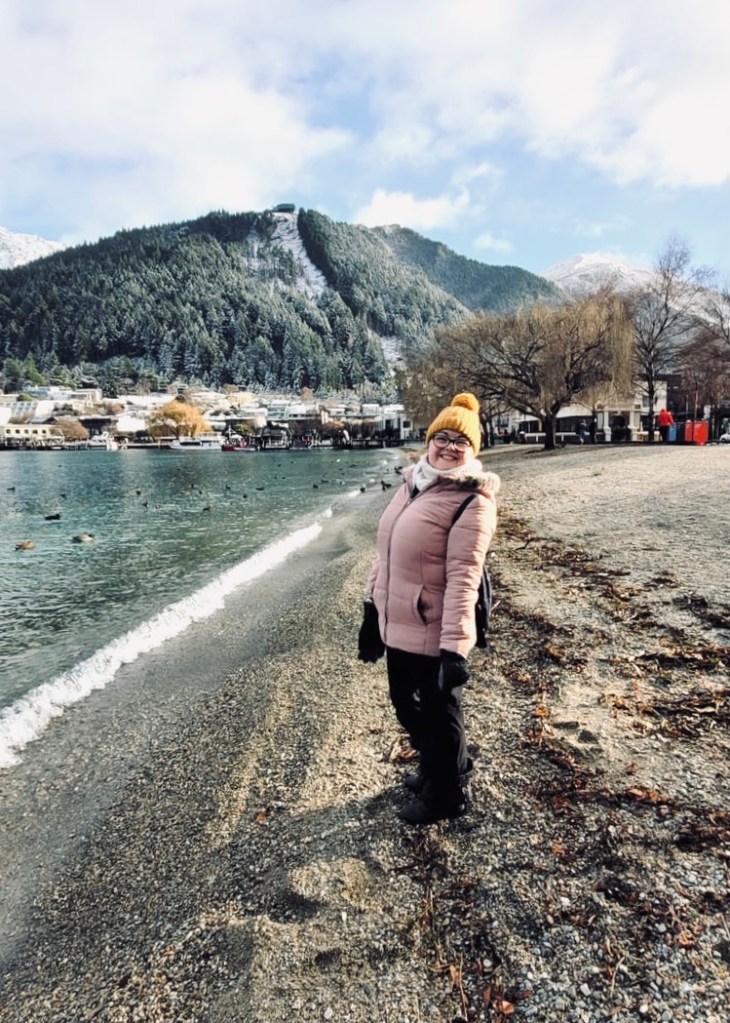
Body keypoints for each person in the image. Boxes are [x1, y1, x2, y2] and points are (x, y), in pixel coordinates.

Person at [357, 393, 500, 825]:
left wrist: (455, 650)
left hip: (434, 629)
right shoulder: (412, 485)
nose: (451, 446)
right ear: (429, 440)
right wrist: (371, 608)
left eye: (463, 441)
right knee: (404, 704)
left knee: (440, 713)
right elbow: (385, 555)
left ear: (473, 451)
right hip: (395, 621)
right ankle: (446, 764)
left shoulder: (471, 502)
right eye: (443, 436)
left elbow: (464, 578)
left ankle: (448, 795)